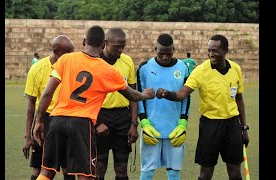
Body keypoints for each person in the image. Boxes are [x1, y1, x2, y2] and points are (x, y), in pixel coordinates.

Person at [32, 25, 155, 180]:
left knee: (46, 172)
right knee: (86, 175)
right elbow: (132, 95)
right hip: (82, 124)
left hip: (57, 121)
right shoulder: (108, 70)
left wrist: (39, 121)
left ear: (84, 41)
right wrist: (145, 94)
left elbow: (47, 93)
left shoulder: (66, 59)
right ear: (103, 44)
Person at [156, 34, 250, 180]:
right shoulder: (200, 71)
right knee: (205, 174)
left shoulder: (236, 68)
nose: (211, 54)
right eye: (209, 50)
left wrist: (244, 128)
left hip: (232, 125)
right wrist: (166, 94)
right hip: (210, 125)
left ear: (225, 51)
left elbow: (239, 99)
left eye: (215, 51)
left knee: (235, 173)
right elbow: (182, 94)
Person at [137, 33, 191, 180]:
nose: (165, 57)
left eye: (168, 54)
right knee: (147, 172)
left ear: (173, 49)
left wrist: (183, 123)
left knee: (174, 173)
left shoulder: (182, 67)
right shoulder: (144, 68)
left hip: (175, 129)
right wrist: (144, 122)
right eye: (161, 54)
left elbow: (186, 97)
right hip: (151, 129)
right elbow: (138, 97)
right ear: (155, 49)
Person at [23, 35, 75, 180]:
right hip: (44, 120)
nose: (72, 56)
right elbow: (31, 104)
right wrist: (27, 136)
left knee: (68, 169)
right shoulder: (37, 69)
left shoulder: (73, 68)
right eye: (69, 53)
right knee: (38, 169)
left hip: (67, 119)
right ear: (57, 52)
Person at [95, 27, 138, 180]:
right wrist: (96, 123)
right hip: (99, 115)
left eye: (123, 46)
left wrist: (133, 124)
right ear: (105, 43)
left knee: (121, 168)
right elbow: (84, 99)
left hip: (122, 117)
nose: (121, 49)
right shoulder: (94, 62)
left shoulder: (127, 62)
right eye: (117, 46)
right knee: (99, 167)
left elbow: (133, 96)